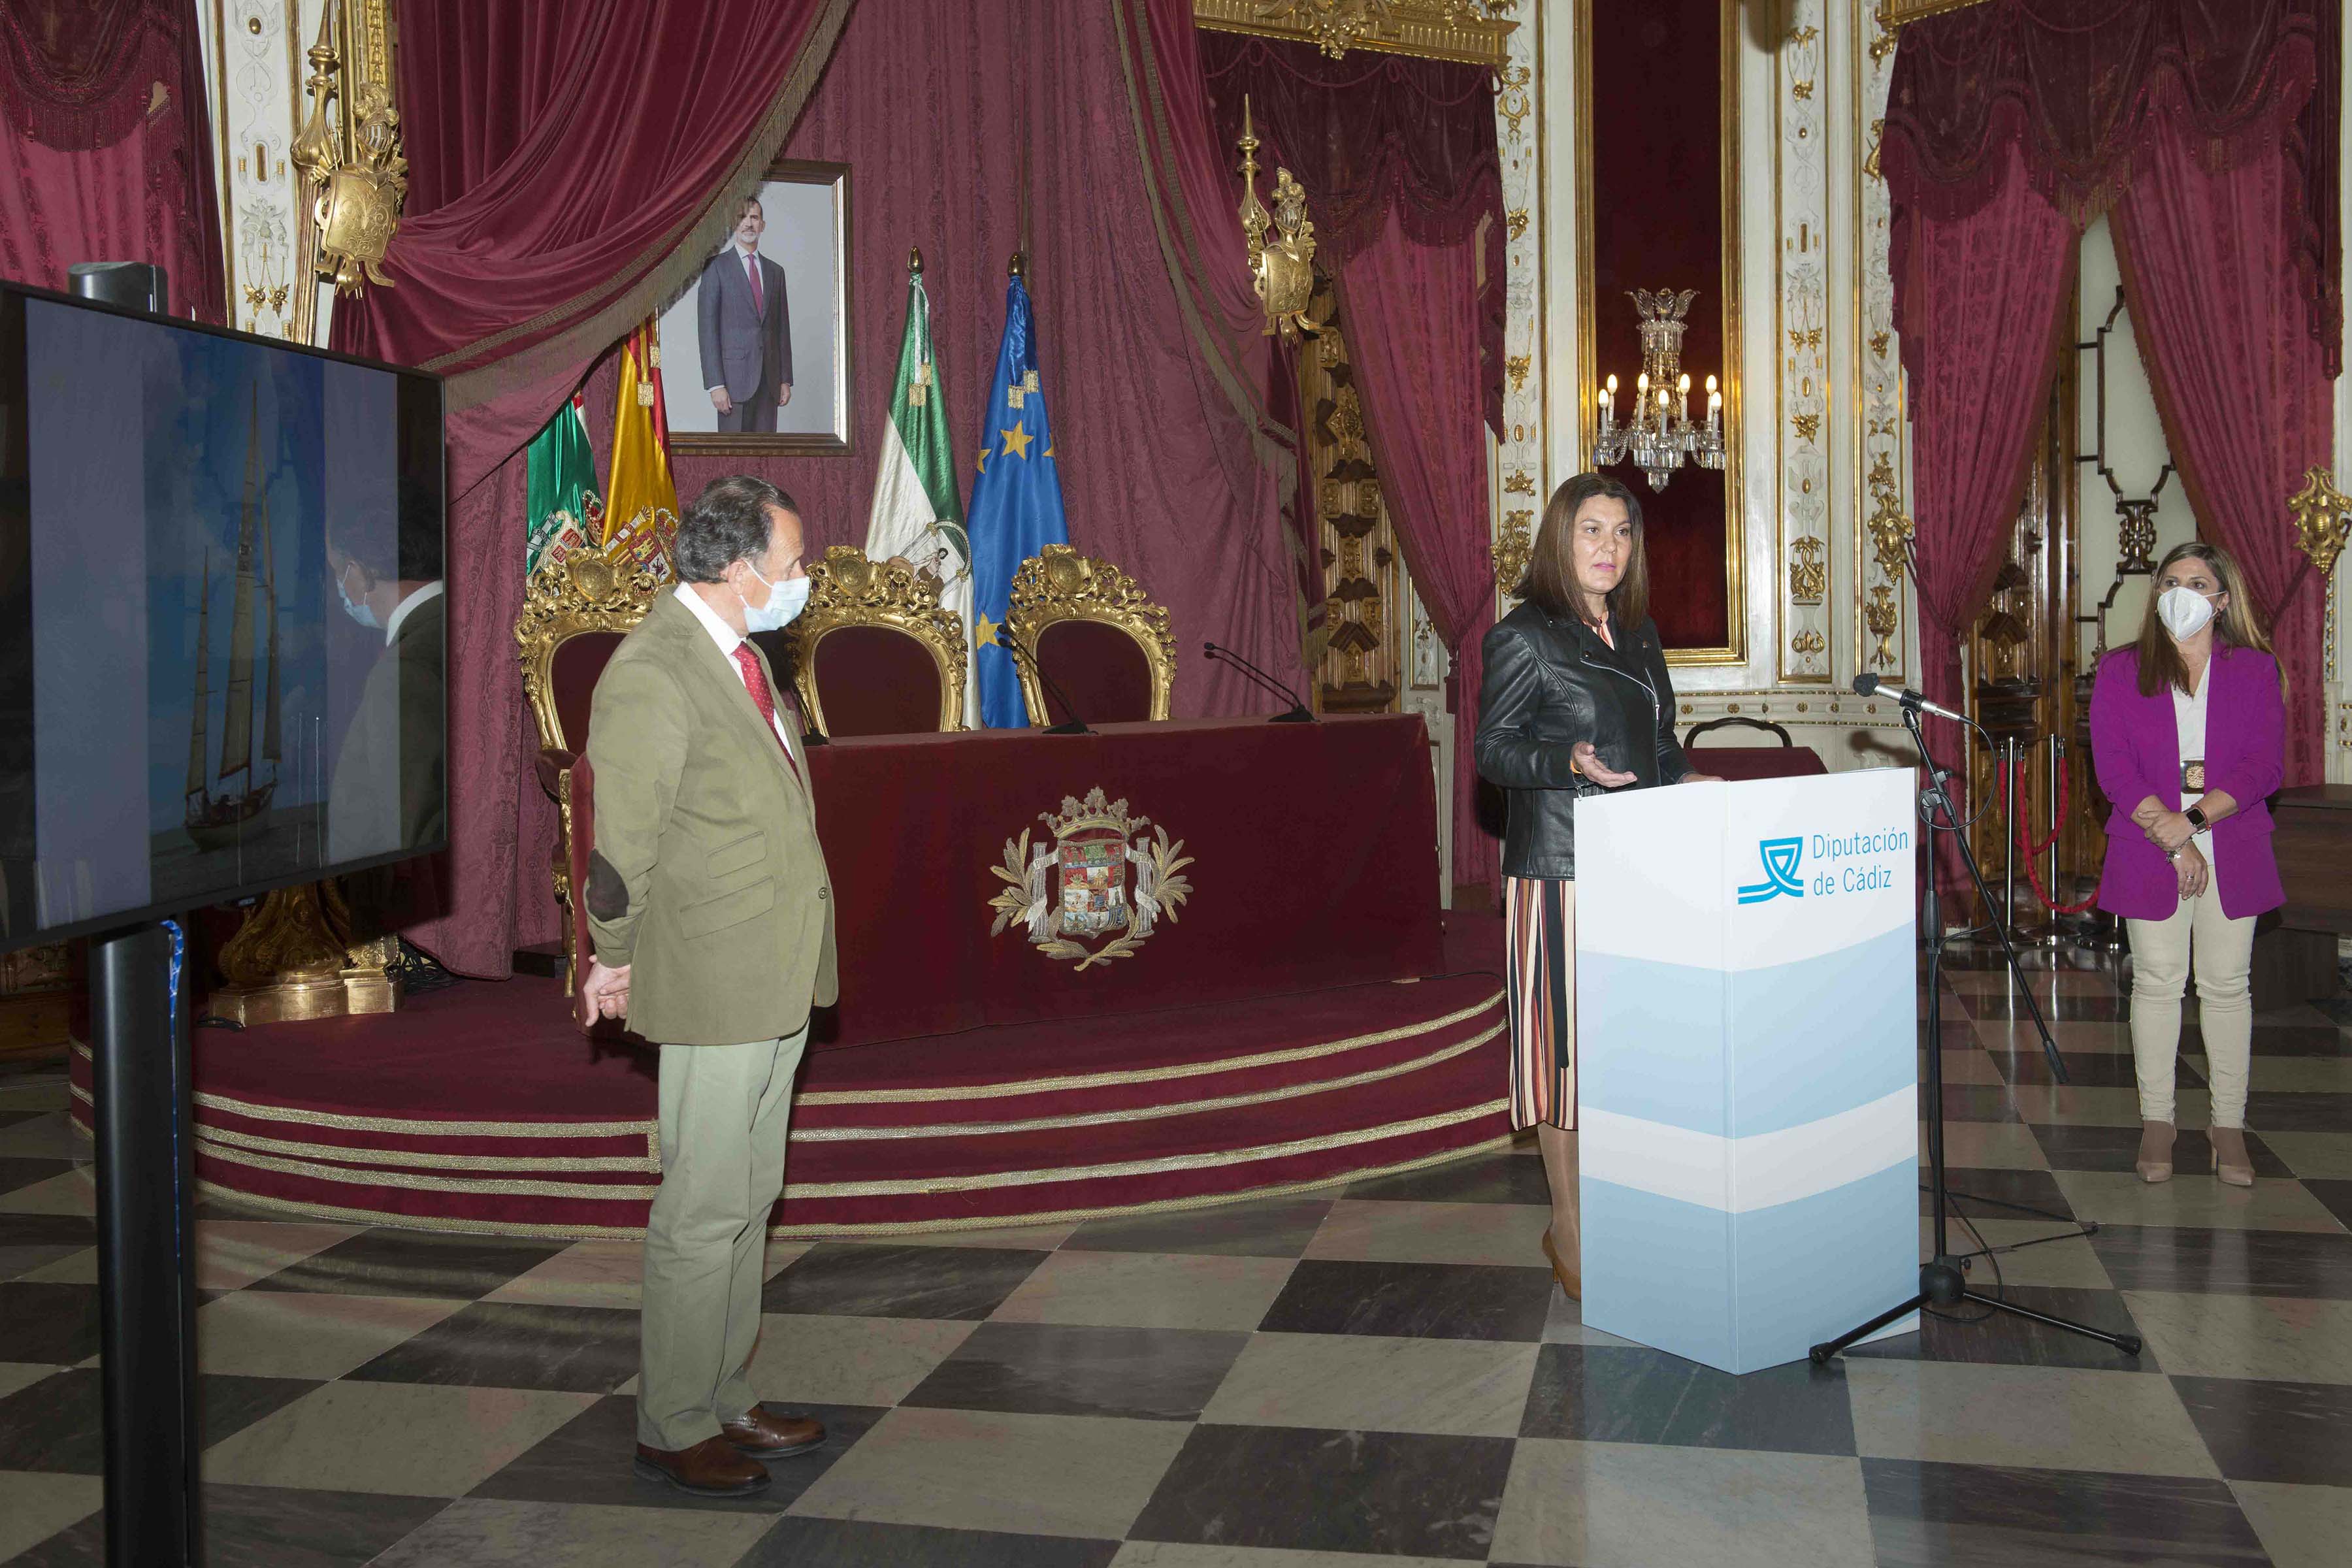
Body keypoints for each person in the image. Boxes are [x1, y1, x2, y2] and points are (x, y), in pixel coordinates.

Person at [578, 475, 836, 1496]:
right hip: (717, 972)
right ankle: (673, 1420)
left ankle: (724, 1391)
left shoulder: (740, 658)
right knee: (701, 1206)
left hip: (771, 967)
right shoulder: (653, 671)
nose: (803, 582)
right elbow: (620, 850)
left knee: (750, 1194)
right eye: (792, 566)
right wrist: (612, 953)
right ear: (738, 572)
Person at [1473, 472, 1716, 1301]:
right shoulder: (1525, 635)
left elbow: (1660, 740)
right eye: (1591, 531)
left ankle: (1623, 1203)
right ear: (1560, 540)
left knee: (1628, 1054)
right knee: (1566, 1062)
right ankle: (1568, 1223)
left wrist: (1692, 781)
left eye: (1621, 533)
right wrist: (1563, 762)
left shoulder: (1640, 633)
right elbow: (1492, 752)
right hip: (1561, 871)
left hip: (1642, 869)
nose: (1607, 548)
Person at [2089, 540, 2283, 1188]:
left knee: (2227, 986)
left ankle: (2228, 1124)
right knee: (2158, 980)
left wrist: (2194, 823)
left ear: (2222, 600)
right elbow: (2114, 768)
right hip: (2149, 843)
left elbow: (2264, 766)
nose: (2182, 591)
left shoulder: (2254, 671)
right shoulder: (2122, 670)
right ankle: (2159, 1121)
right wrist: (2171, 837)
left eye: (2198, 582)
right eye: (2171, 580)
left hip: (2231, 837)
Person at [325, 504, 446, 866]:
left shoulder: (402, 669)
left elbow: (413, 840)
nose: (340, 589)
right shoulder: (457, 620)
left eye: (338, 571)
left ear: (364, 570)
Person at [697, 196, 793, 433]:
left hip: (769, 382)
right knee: (733, 460)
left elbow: (782, 328)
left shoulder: (776, 272)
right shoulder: (716, 268)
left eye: (754, 218)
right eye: (742, 217)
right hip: (732, 383)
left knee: (766, 459)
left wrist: (785, 379)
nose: (748, 224)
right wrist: (715, 385)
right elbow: (707, 330)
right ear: (733, 223)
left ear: (763, 225)